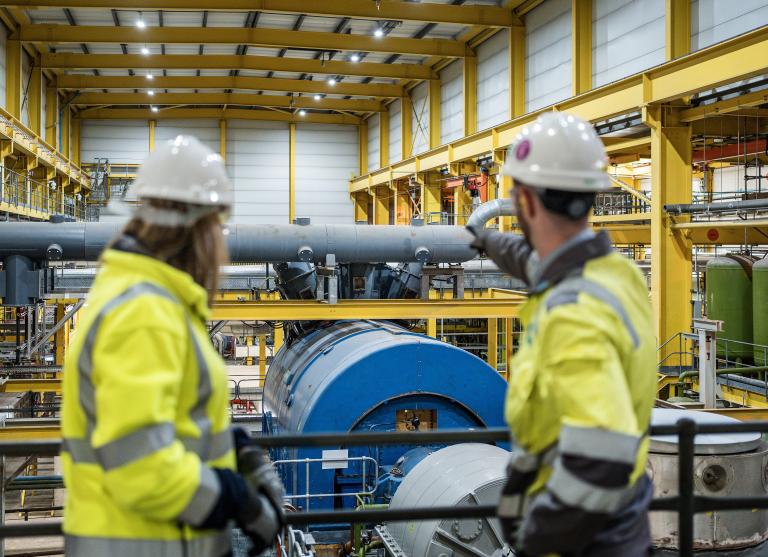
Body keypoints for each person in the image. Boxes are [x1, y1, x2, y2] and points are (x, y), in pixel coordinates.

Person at [61, 135, 284, 557]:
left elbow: (161, 420)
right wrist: (236, 498)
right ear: (195, 228)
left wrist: (228, 445)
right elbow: (140, 465)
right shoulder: (144, 314)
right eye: (218, 226)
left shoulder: (153, 303)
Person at [467, 112, 656, 557]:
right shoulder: (617, 273)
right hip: (625, 518)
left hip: (585, 539)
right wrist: (486, 241)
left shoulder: (571, 314)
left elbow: (602, 458)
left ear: (527, 204)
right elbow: (537, 260)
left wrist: (539, 535)